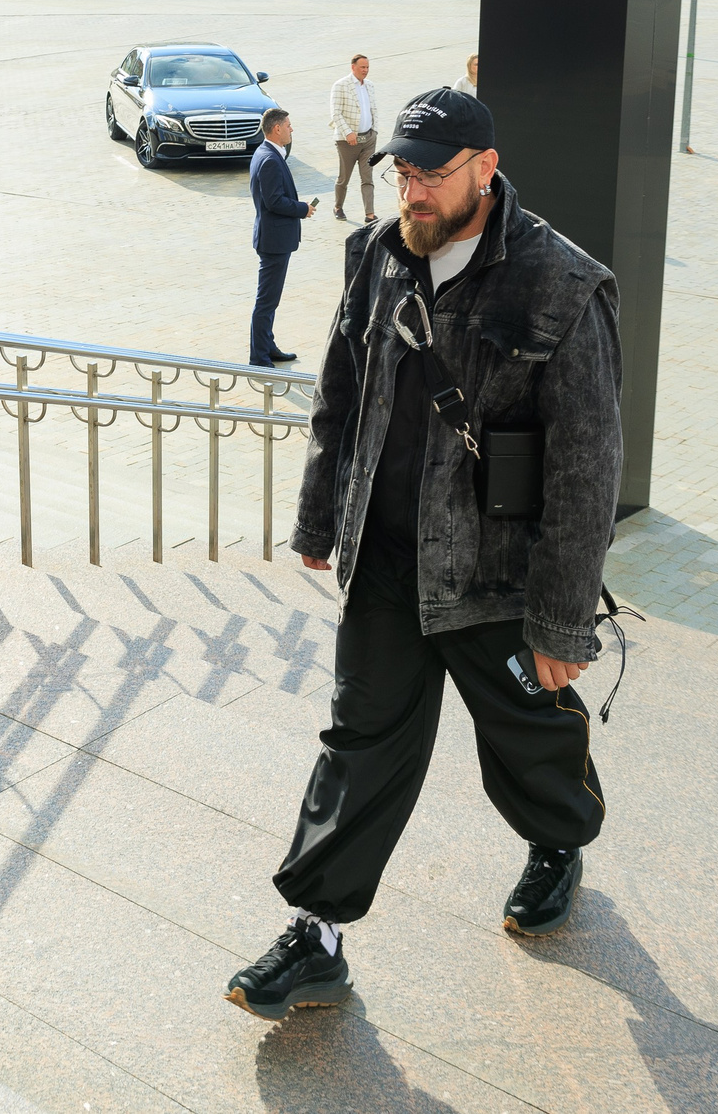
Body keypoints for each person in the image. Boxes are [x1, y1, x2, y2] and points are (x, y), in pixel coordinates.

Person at [227, 89, 622, 1022]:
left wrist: (563, 619)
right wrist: (322, 521)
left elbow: (586, 462)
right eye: (401, 171)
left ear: (486, 169)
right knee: (359, 745)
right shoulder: (377, 257)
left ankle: (558, 842)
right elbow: (340, 391)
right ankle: (317, 935)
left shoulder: (562, 284)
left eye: (429, 173)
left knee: (528, 737)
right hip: (389, 562)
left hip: (497, 578)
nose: (410, 190)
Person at [248, 108, 317, 367]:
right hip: (274, 241)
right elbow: (274, 201)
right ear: (276, 129)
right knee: (266, 300)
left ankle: (267, 345)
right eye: (288, 125)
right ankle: (259, 357)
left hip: (274, 238)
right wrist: (302, 208)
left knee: (270, 299)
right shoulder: (269, 159)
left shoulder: (266, 153)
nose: (291, 129)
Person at [327, 54, 378, 223]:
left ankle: (370, 214)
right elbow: (336, 113)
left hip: (368, 139)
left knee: (367, 177)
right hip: (346, 141)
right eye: (362, 67)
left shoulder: (370, 85)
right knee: (344, 178)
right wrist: (348, 132)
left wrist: (375, 130)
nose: (365, 70)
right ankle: (338, 207)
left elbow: (373, 109)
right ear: (353, 67)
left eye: (367, 67)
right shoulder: (340, 85)